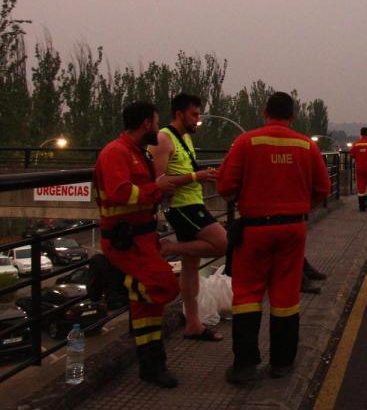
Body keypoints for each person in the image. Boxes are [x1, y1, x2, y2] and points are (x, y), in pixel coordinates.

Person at [217, 92, 331, 384]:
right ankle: (281, 363)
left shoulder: (246, 142)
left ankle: (244, 365)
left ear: (265, 112)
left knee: (247, 295)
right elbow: (322, 189)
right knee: (286, 294)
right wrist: (302, 208)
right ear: (292, 116)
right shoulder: (306, 145)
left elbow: (226, 188)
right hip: (294, 228)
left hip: (254, 229)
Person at [94, 102, 197, 388]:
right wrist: (157, 189)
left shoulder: (138, 153)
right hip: (125, 241)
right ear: (145, 124)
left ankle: (152, 364)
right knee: (166, 286)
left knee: (147, 307)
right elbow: (119, 193)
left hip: (143, 238)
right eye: (156, 120)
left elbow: (141, 193)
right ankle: (112, 276)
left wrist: (161, 196)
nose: (158, 125)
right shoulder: (116, 152)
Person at [150, 93, 227, 342]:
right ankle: (169, 248)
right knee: (222, 242)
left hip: (193, 202)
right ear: (180, 113)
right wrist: (197, 177)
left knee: (191, 266)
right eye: (194, 115)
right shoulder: (164, 138)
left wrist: (201, 174)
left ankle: (193, 323)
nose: (197, 120)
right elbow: (158, 183)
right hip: (184, 207)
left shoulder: (184, 138)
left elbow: (182, 171)